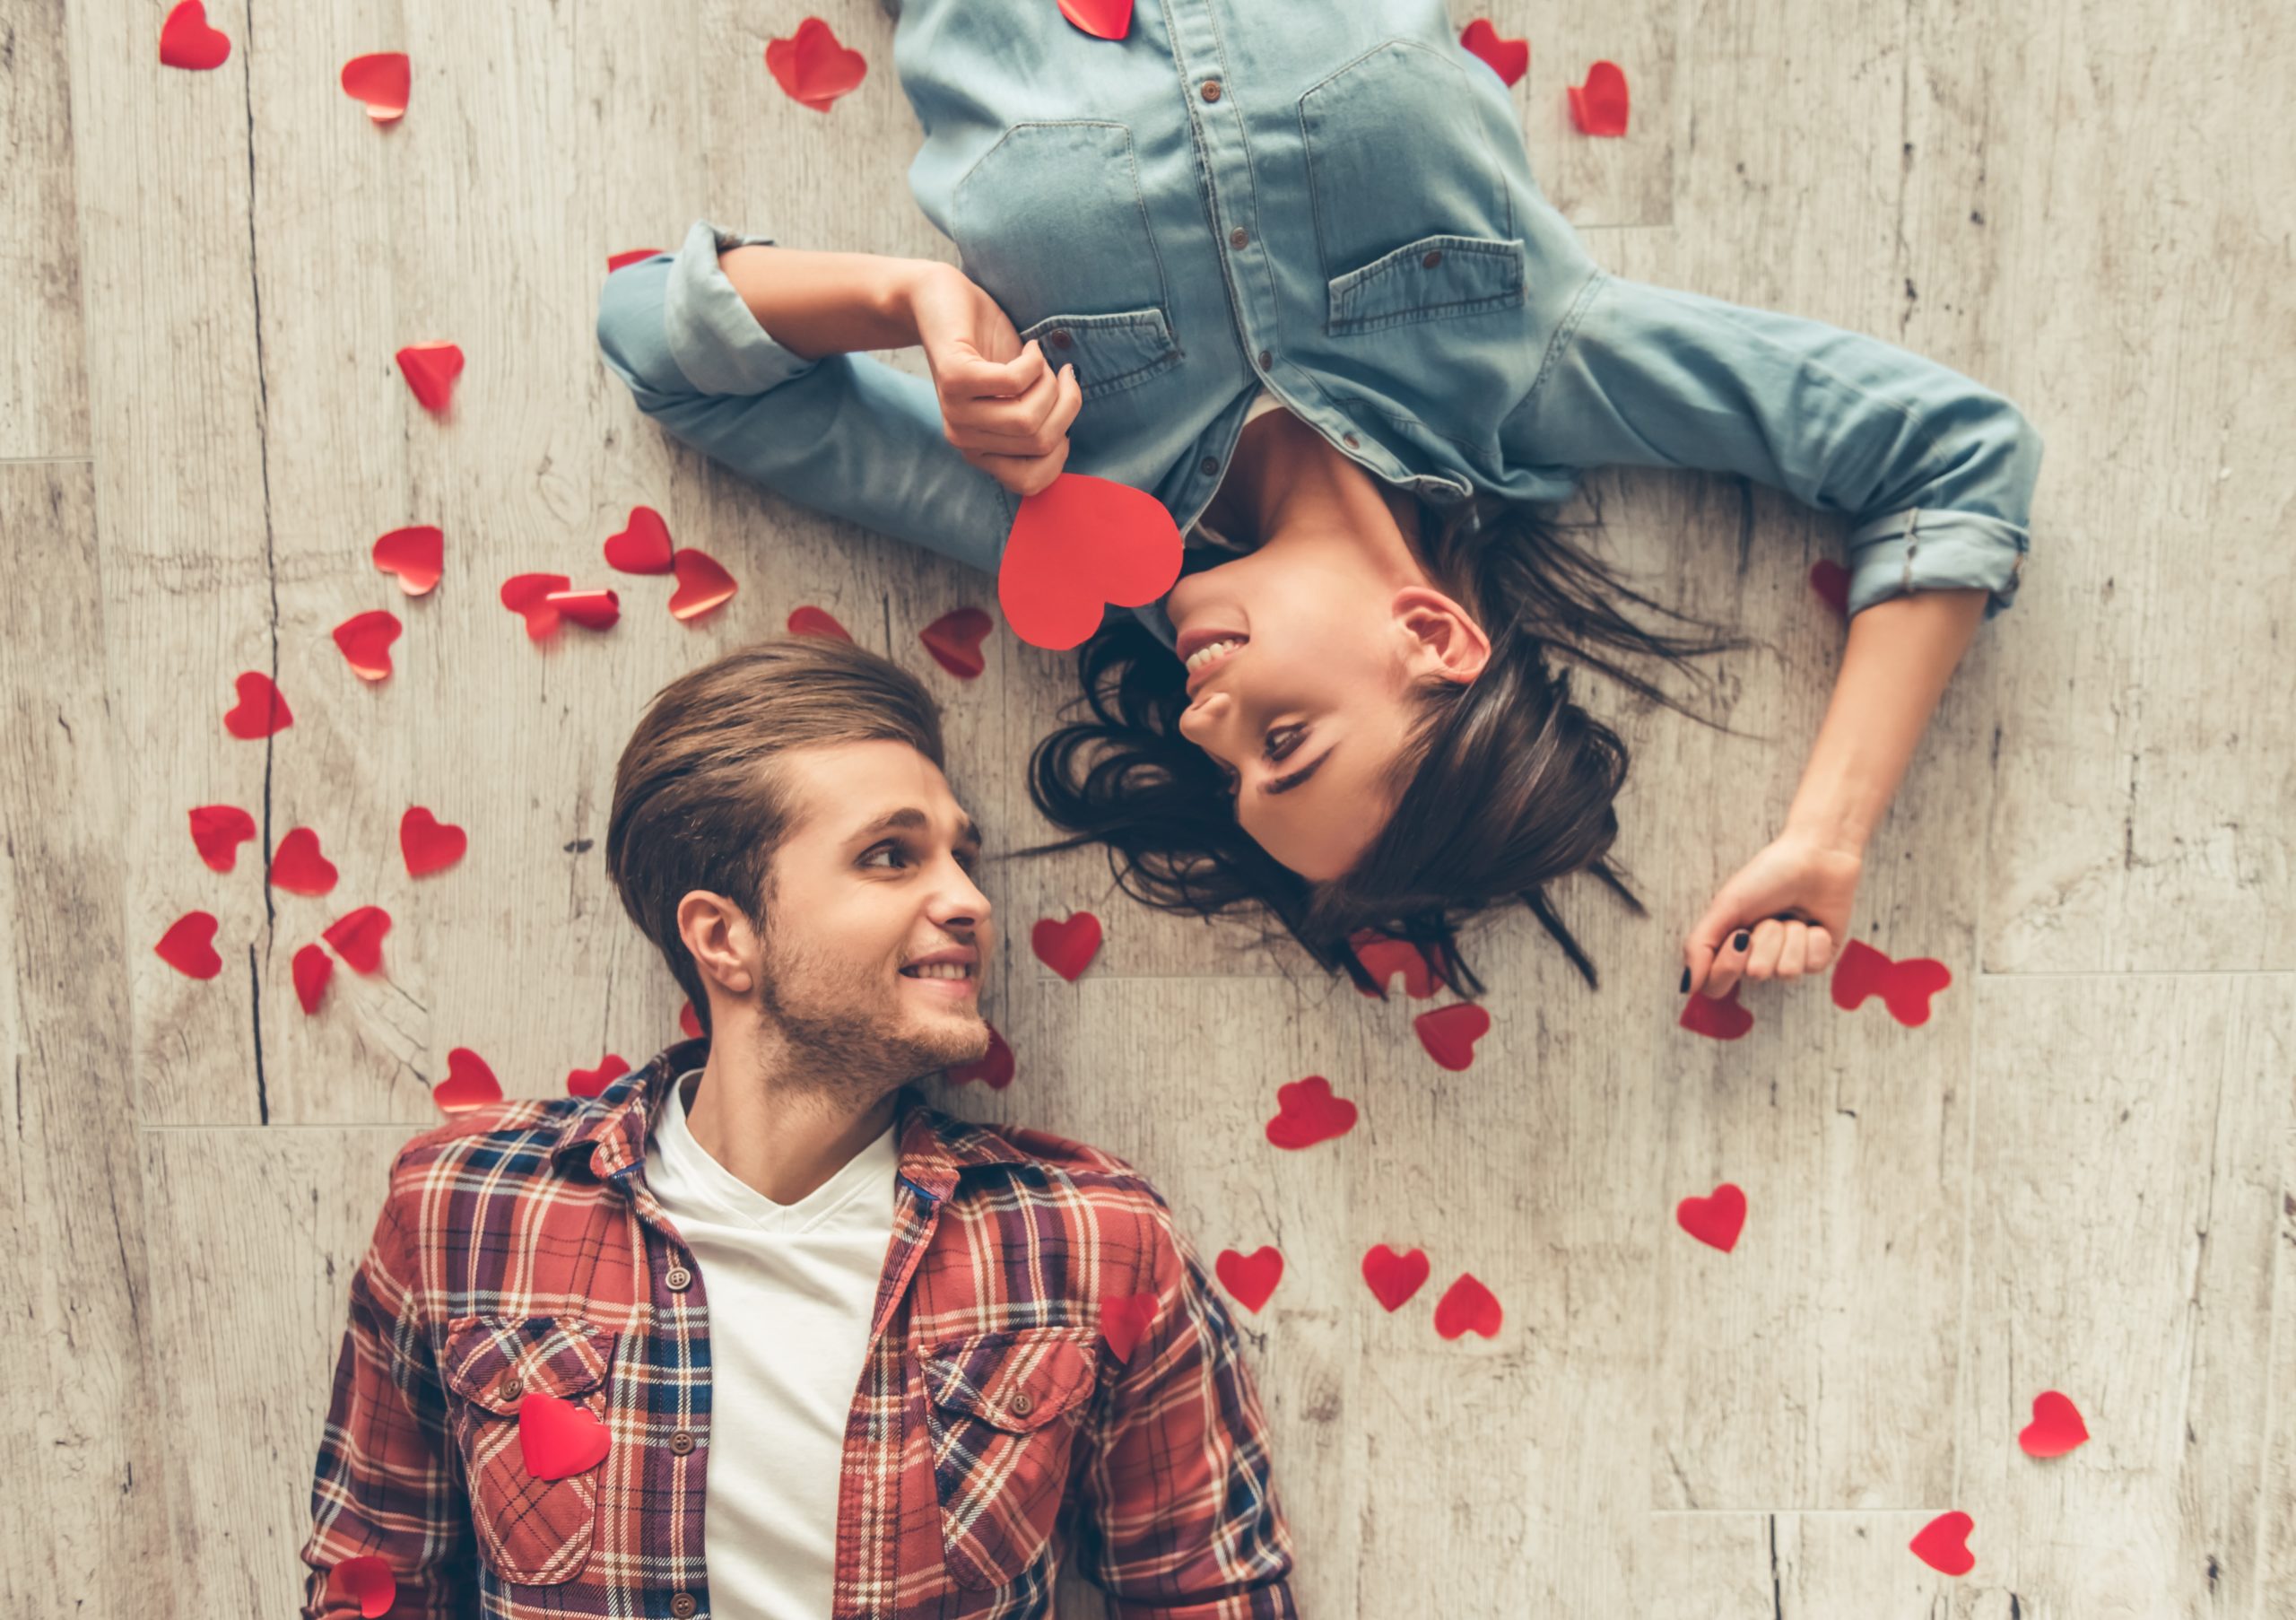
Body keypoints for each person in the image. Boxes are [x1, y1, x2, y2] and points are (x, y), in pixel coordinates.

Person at [595, 0, 2042, 1008]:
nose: (1207, 724)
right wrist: (1831, 837)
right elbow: (1952, 458)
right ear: (1436, 637)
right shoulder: (1529, 362)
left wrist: (901, 298)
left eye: (1231, 772)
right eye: (1286, 742)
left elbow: (665, 351)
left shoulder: (1064, 517)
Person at [296, 636, 1298, 1619]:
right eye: (891, 856)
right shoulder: (465, 1212)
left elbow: (1208, 1592)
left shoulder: (1090, 1240)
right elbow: (374, 1583)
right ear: (724, 937)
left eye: (961, 855)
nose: (970, 900)